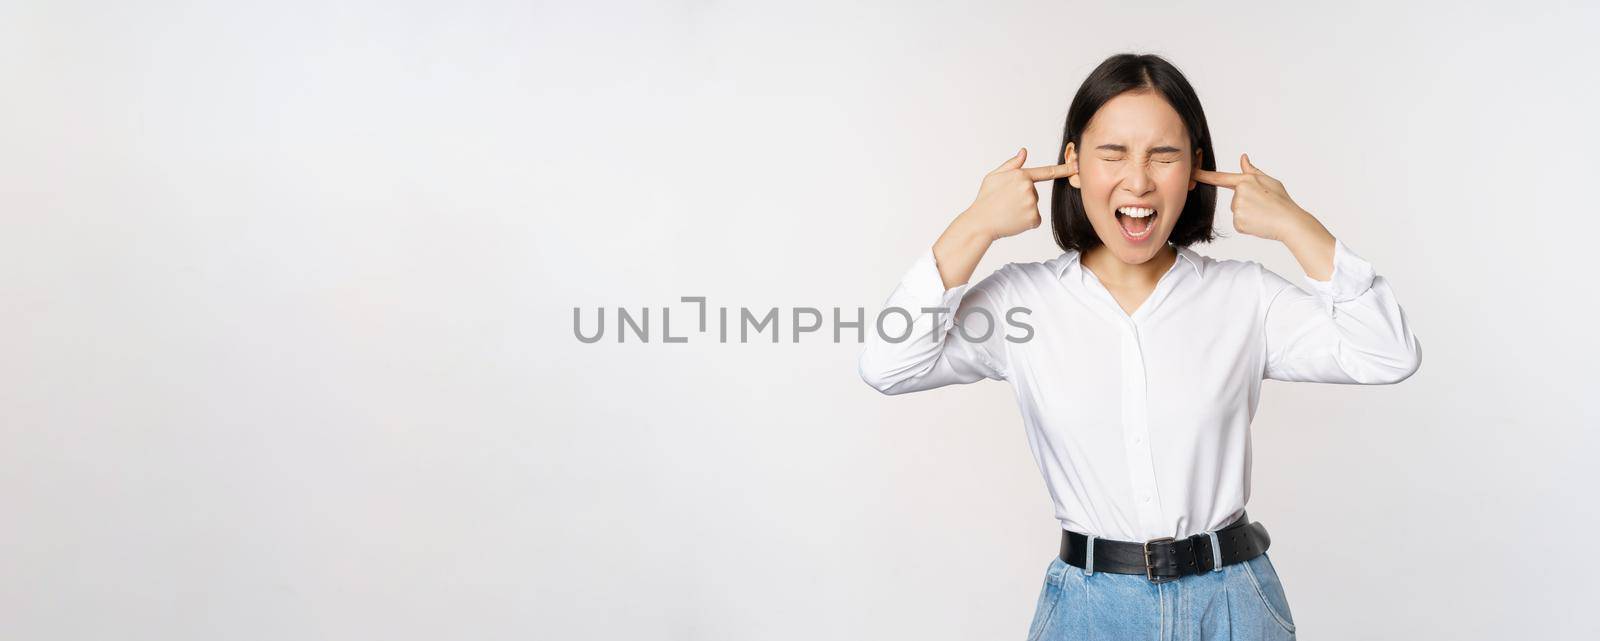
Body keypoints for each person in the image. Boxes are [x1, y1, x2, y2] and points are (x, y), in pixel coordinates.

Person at [857, 53, 1422, 641]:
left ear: (1196, 168)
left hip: (1232, 604)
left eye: (1164, 154)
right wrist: (974, 225)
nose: (1139, 180)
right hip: (1089, 610)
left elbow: (1387, 352)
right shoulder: (1021, 304)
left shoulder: (1243, 297)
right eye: (1113, 153)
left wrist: (1295, 224)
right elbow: (887, 364)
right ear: (1072, 163)